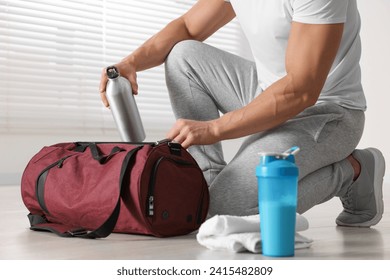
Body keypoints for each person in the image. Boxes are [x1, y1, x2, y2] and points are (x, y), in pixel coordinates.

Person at [99, 0, 385, 227]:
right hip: (266, 91)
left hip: (327, 111)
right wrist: (130, 63)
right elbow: (187, 26)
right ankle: (207, 179)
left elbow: (301, 89)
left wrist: (213, 128)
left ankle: (352, 172)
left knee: (229, 216)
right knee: (182, 54)